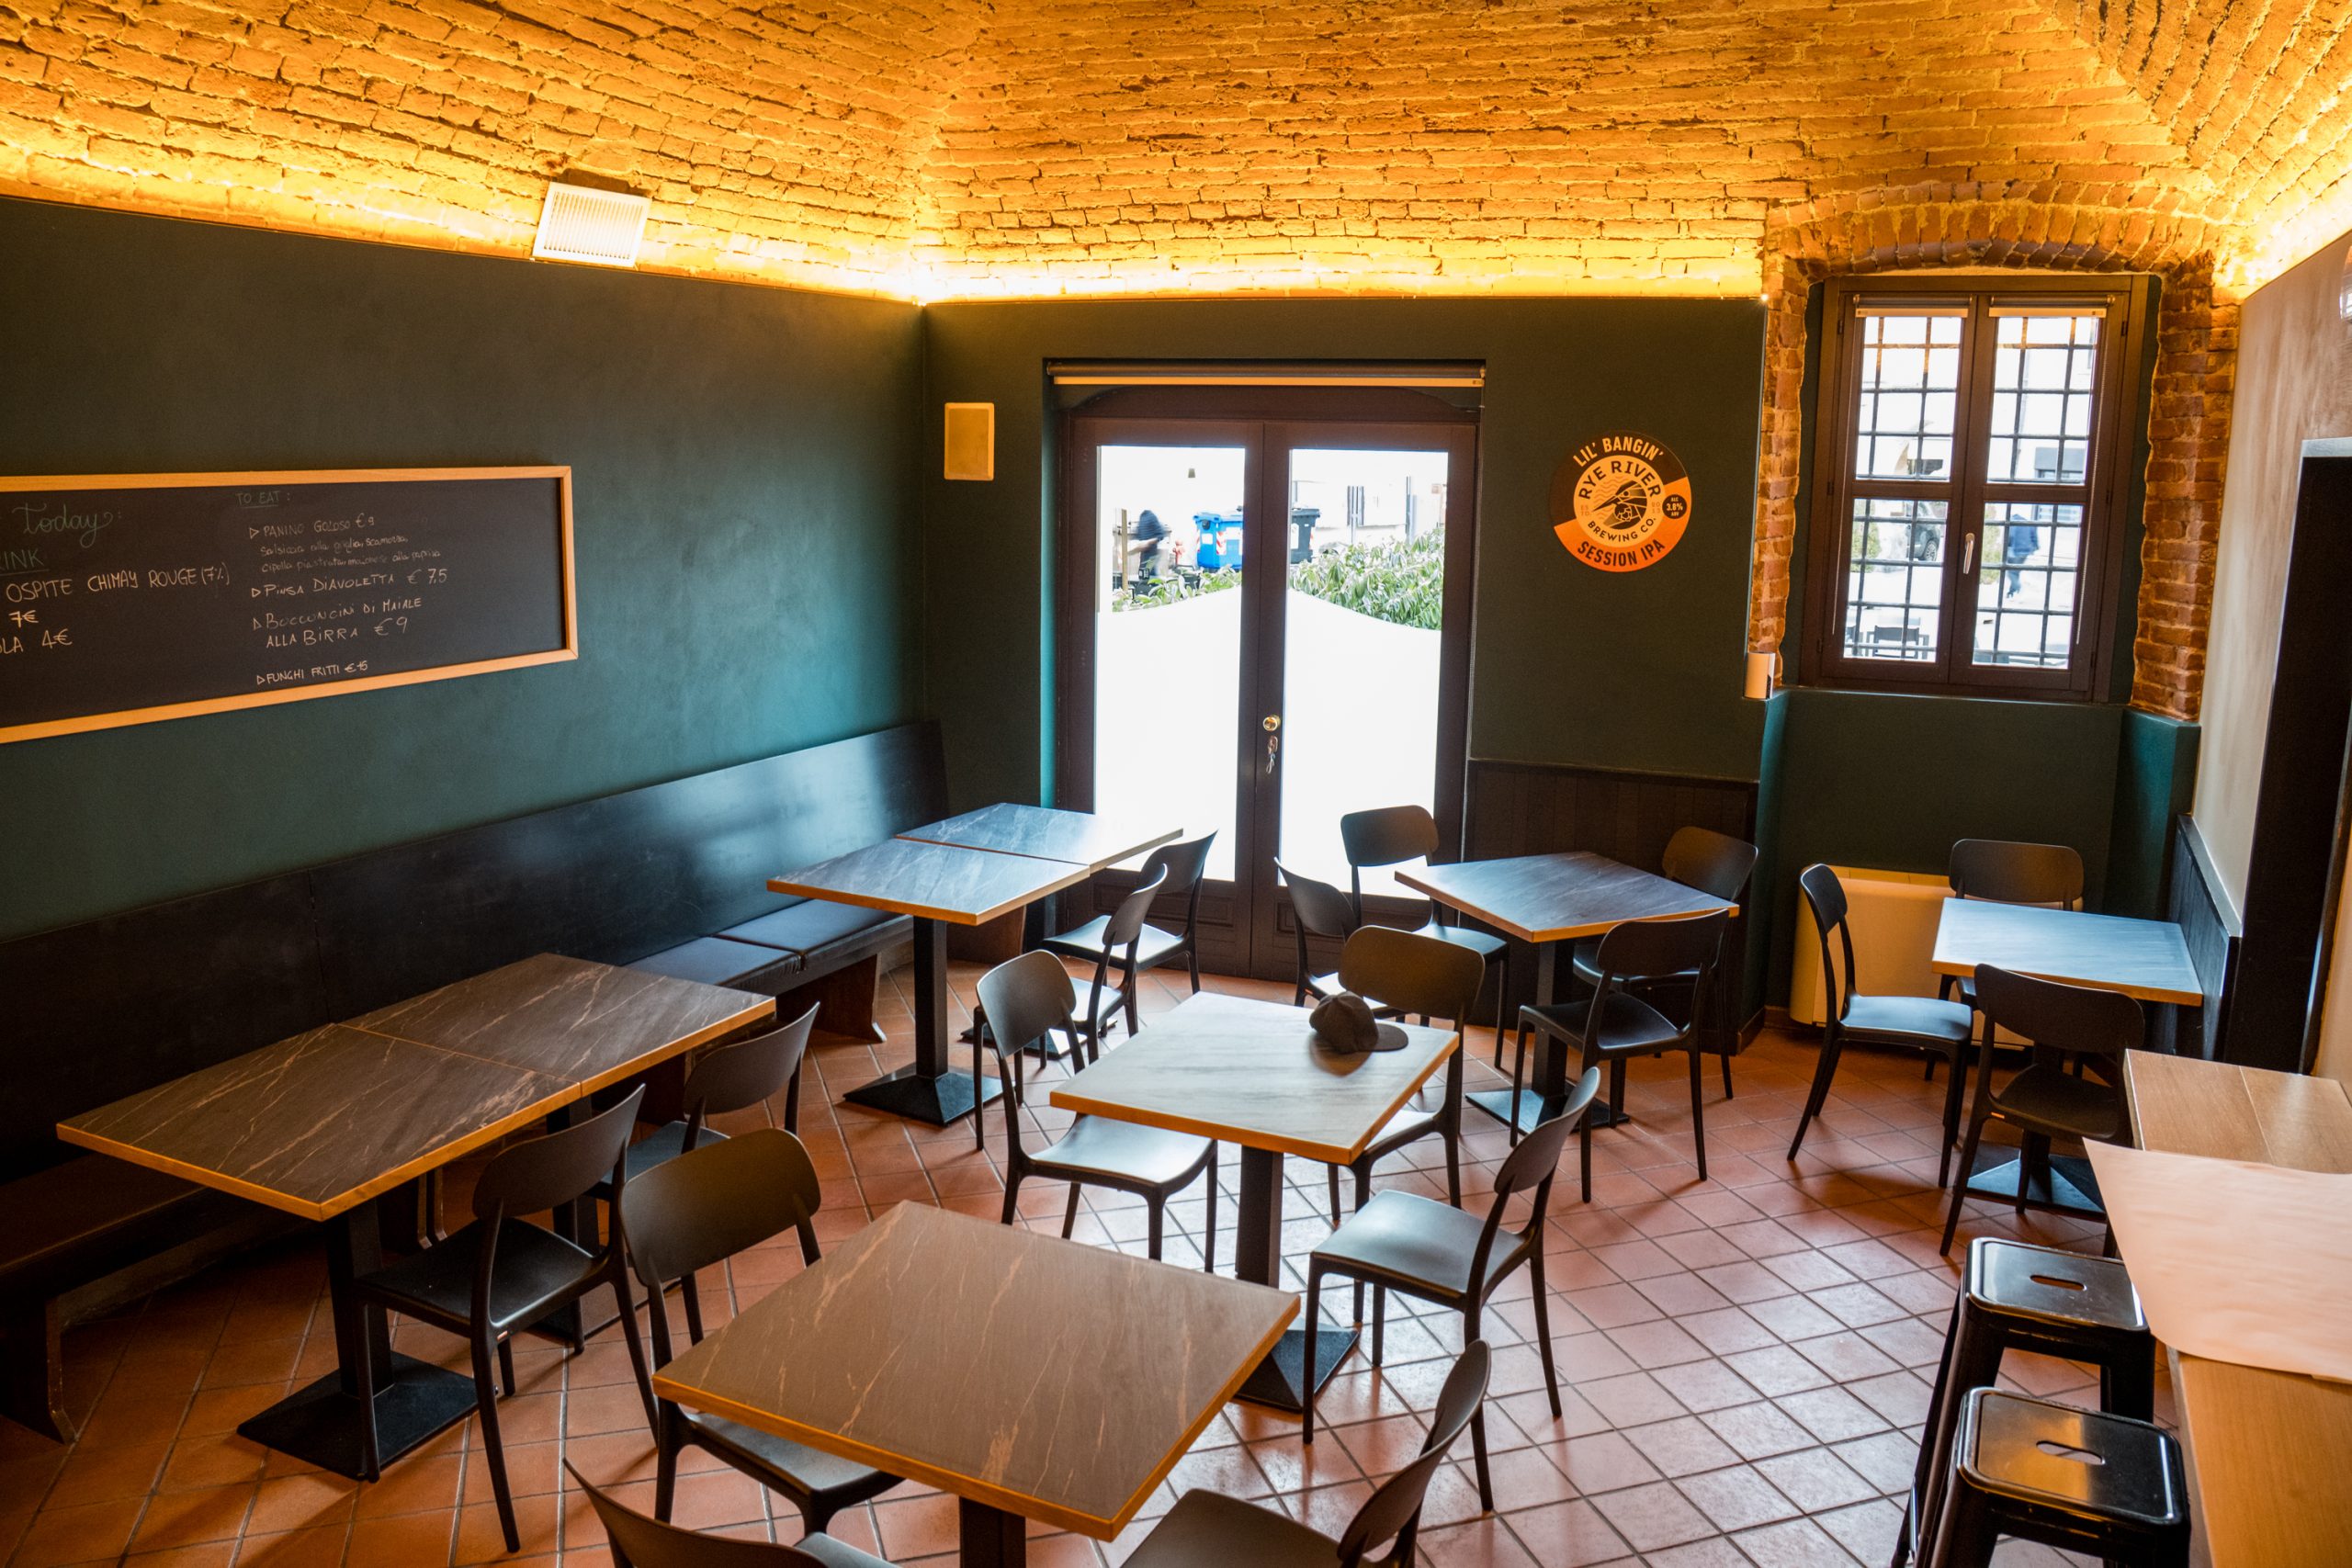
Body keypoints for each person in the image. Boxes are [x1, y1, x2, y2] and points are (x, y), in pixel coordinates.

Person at [1131, 509, 1167, 582]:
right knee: (1143, 577)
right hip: (1143, 554)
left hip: (1151, 553)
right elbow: (1138, 535)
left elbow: (1161, 535)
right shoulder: (1142, 517)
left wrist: (1148, 542)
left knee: (1150, 577)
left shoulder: (1151, 517)